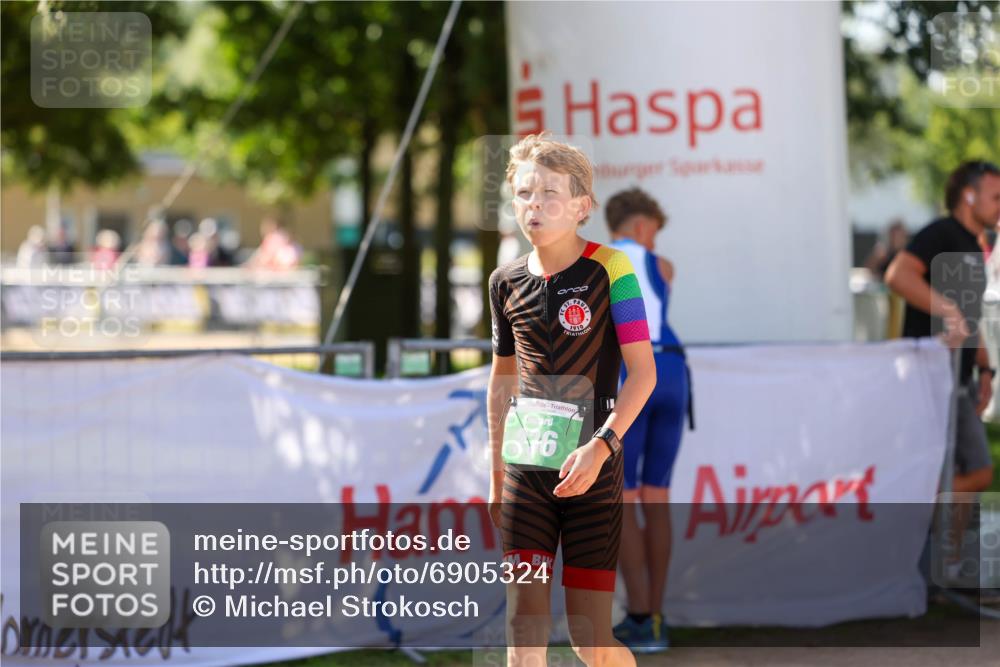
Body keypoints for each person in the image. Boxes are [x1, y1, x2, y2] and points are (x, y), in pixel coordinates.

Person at [487, 133, 656, 667]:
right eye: (524, 194)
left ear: (582, 206)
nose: (534, 205)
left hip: (593, 470)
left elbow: (644, 374)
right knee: (523, 634)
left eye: (549, 194)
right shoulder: (504, 281)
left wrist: (601, 447)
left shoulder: (612, 268)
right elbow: (501, 383)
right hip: (525, 473)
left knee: (592, 644)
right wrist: (497, 477)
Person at [604, 188, 690, 652]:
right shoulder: (663, 266)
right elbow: (660, 285)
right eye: (653, 233)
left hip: (631, 374)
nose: (655, 243)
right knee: (657, 497)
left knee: (621, 497)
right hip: (673, 373)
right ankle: (656, 618)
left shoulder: (598, 261)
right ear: (640, 227)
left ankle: (638, 617)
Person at [886, 160, 998, 499]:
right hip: (929, 378)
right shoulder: (941, 233)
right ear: (968, 196)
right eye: (995, 197)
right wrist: (948, 311)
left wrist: (985, 369)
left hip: (959, 379)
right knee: (969, 473)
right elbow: (898, 275)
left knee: (966, 478)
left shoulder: (975, 244)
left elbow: (970, 315)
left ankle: (930, 512)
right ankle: (915, 499)